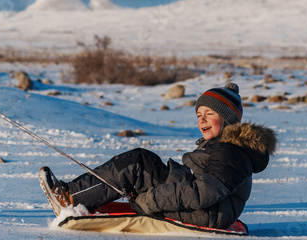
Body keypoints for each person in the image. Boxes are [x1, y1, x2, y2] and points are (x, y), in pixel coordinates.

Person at [38, 83, 276, 230]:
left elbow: (204, 193)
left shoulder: (232, 151)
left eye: (210, 113)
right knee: (141, 163)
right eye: (199, 114)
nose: (201, 119)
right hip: (205, 209)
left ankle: (69, 198)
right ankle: (77, 196)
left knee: (136, 164)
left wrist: (149, 201)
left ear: (229, 120)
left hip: (207, 215)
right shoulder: (224, 146)